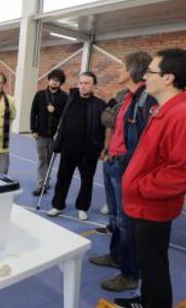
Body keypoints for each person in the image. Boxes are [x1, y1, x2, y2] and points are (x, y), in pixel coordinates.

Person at [114, 49, 186, 308]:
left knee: (154, 266)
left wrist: (141, 186)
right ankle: (147, 301)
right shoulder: (161, 109)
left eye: (150, 72)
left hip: (152, 206)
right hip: (143, 204)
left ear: (168, 78)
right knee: (148, 262)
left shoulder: (181, 115)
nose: (145, 77)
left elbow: (180, 172)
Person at [89, 52, 157, 292]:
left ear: (131, 72)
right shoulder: (126, 96)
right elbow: (115, 127)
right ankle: (116, 256)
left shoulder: (146, 100)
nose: (118, 71)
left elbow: (142, 143)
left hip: (124, 166)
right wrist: (109, 151)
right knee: (116, 217)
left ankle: (130, 274)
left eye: (122, 67)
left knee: (126, 222)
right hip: (113, 161)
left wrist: (124, 161)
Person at [47, 72, 106, 221]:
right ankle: (58, 205)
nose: (83, 86)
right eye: (81, 82)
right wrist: (58, 136)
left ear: (94, 86)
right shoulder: (70, 99)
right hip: (68, 148)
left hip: (88, 150)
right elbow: (63, 119)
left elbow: (105, 128)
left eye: (87, 83)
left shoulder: (99, 105)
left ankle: (82, 207)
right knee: (62, 178)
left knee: (87, 181)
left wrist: (103, 147)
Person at [30, 69, 68, 196]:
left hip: (55, 136)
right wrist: (33, 130)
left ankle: (46, 179)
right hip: (40, 134)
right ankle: (42, 184)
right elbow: (33, 113)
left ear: (60, 83)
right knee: (42, 159)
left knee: (50, 160)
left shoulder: (64, 97)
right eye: (52, 79)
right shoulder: (40, 95)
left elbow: (65, 116)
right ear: (48, 79)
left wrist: (55, 110)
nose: (54, 82)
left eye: (57, 80)